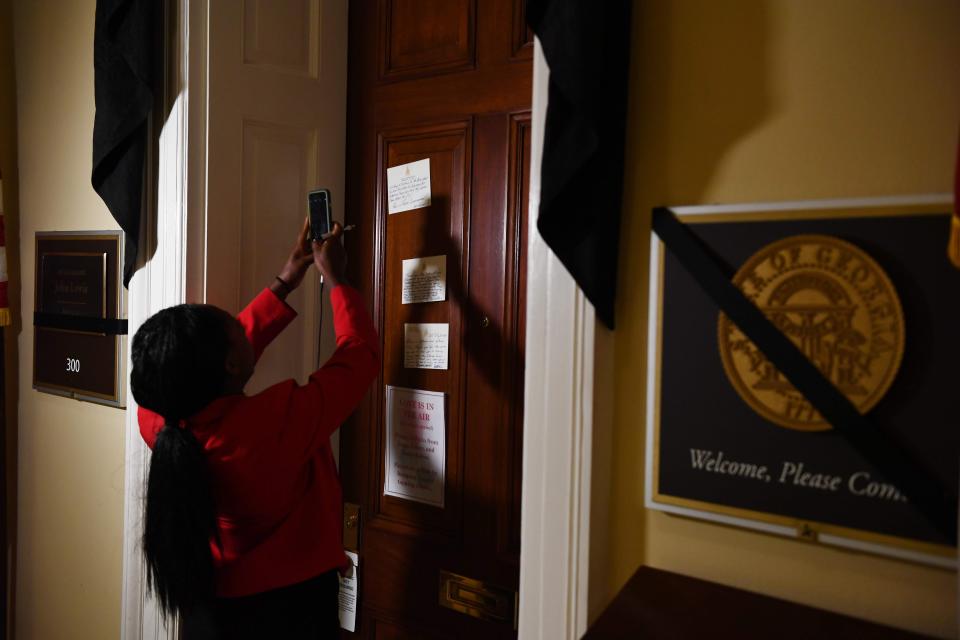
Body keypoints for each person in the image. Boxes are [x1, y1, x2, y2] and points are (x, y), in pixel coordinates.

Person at [130, 219, 379, 638]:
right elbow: (359, 356)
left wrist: (287, 279)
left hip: (208, 613)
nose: (244, 327)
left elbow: (213, 361)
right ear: (229, 363)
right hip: (288, 615)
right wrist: (337, 278)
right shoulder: (273, 425)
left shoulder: (159, 418)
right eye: (234, 327)